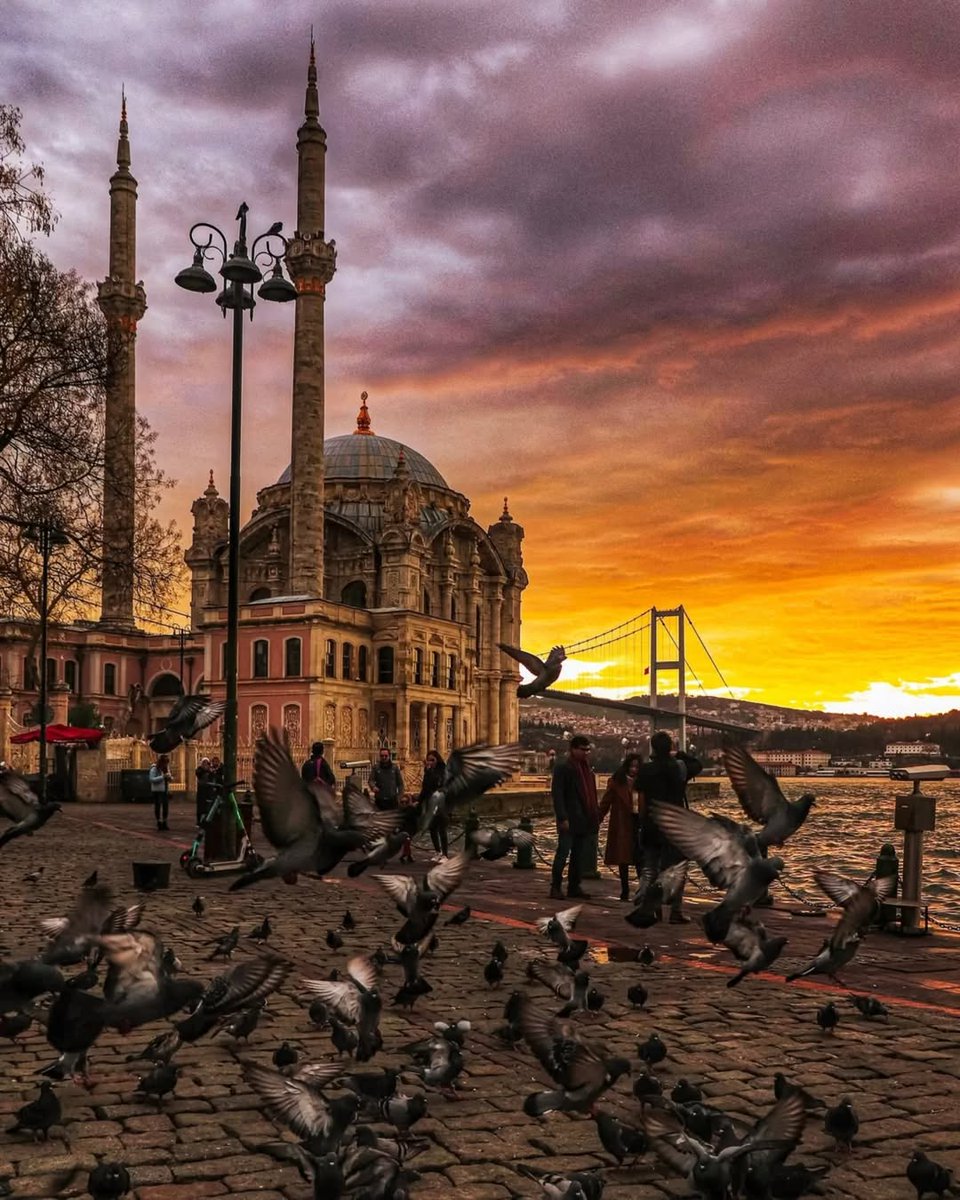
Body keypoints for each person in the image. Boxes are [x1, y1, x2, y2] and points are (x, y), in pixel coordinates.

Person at [635, 731, 703, 923]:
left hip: (651, 823)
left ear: (653, 747)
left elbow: (640, 800)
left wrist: (641, 822)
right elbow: (698, 765)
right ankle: (676, 911)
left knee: (650, 867)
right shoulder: (679, 767)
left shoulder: (645, 769)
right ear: (670, 747)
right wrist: (680, 754)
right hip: (675, 825)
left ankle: (647, 908)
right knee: (678, 867)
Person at [549, 735, 600, 901]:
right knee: (563, 853)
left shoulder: (586, 769)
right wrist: (562, 817)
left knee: (578, 855)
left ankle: (574, 886)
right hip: (569, 818)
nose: (586, 753)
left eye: (588, 750)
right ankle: (555, 887)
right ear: (573, 749)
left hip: (583, 818)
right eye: (583, 749)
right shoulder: (563, 767)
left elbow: (590, 794)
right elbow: (558, 794)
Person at [599, 754, 644, 901]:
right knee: (623, 858)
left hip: (639, 821)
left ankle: (642, 889)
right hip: (623, 822)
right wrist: (597, 819)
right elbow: (605, 802)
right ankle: (625, 890)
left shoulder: (644, 783)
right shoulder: (616, 783)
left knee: (640, 858)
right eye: (631, 766)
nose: (634, 770)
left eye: (637, 767)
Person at [416, 750, 448, 863]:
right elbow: (425, 789)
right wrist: (419, 802)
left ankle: (445, 854)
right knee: (432, 828)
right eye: (428, 760)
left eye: (432, 760)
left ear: (437, 760)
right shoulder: (428, 772)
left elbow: (438, 783)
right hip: (430, 802)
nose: (430, 762)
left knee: (442, 829)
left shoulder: (443, 771)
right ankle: (438, 851)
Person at [370, 747, 404, 813]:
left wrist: (399, 797)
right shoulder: (376, 768)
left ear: (389, 756)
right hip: (380, 801)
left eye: (386, 756)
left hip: (392, 801)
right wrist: (373, 786)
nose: (384, 757)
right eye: (382, 756)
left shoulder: (394, 768)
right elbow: (371, 780)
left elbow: (400, 784)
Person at [149, 754, 172, 831]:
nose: (165, 764)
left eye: (166, 762)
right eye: (164, 762)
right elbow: (152, 779)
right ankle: (159, 822)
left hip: (165, 789)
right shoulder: (154, 769)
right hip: (157, 790)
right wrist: (162, 777)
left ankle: (165, 821)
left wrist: (170, 778)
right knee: (158, 806)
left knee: (166, 806)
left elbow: (169, 777)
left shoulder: (166, 768)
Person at [195, 756, 214, 827]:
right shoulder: (199, 770)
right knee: (200, 807)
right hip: (201, 790)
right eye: (204, 763)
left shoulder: (210, 770)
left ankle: (206, 820)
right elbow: (198, 774)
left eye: (207, 763)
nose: (205, 764)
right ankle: (199, 821)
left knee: (208, 806)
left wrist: (209, 769)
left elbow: (212, 776)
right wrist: (205, 769)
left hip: (208, 790)